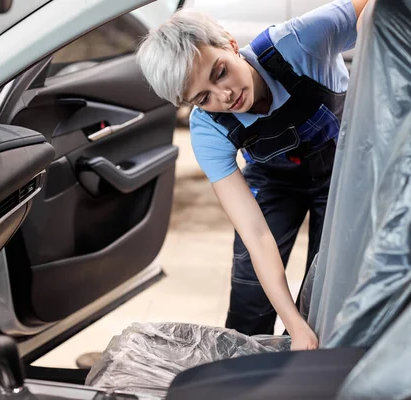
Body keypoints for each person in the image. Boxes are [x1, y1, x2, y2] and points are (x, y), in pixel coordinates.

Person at [136, 0, 369, 350]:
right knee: (250, 297)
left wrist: (380, 63)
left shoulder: (299, 41)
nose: (225, 95)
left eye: (220, 72)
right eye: (204, 97)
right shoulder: (208, 130)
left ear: (230, 43)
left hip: (343, 170)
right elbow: (256, 234)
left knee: (328, 289)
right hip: (274, 181)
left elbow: (373, 8)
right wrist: (293, 324)